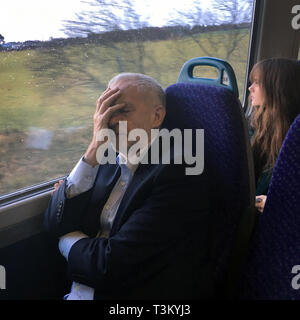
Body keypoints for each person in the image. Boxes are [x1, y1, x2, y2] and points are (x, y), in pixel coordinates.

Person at [44, 73, 212, 300]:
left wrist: (65, 240)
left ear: (156, 116)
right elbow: (54, 220)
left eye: (122, 110)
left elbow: (111, 265)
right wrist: (93, 149)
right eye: (107, 110)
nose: (110, 121)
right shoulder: (107, 156)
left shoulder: (180, 172)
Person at [248, 58, 300, 213]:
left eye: (257, 83)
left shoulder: (294, 139)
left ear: (276, 90)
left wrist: (275, 203)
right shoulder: (258, 129)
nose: (250, 88)